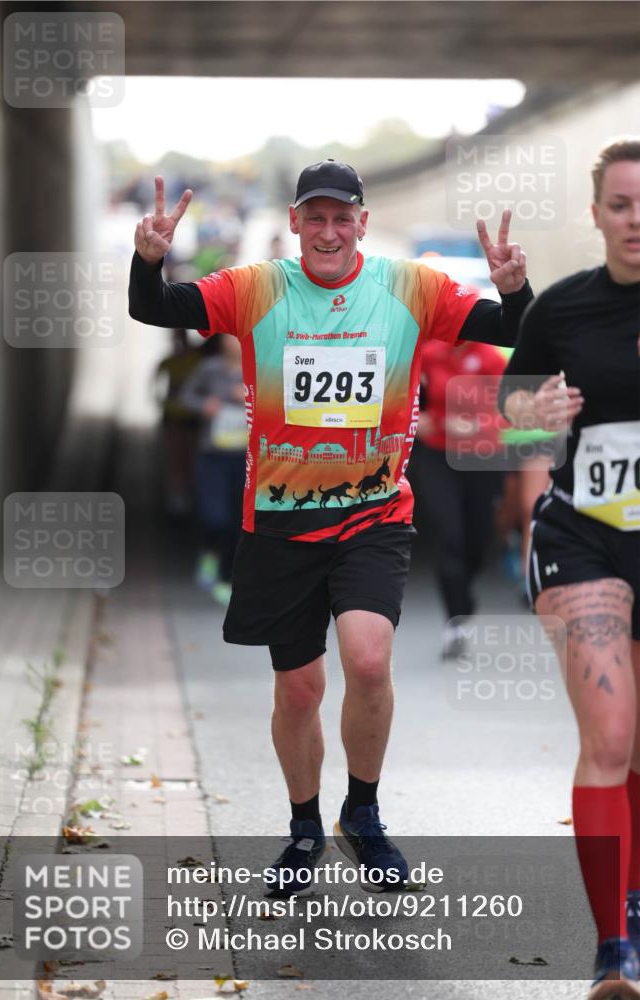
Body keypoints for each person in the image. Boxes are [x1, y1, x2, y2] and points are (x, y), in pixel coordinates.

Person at [129, 159, 531, 894]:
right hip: (281, 522)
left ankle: (364, 814)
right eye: (314, 217)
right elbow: (154, 310)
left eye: (341, 216)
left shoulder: (408, 287)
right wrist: (147, 259)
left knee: (369, 662)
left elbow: (511, 329)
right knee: (299, 691)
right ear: (293, 222)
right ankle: (305, 826)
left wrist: (514, 288)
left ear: (362, 224)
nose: (327, 230)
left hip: (373, 512)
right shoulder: (256, 288)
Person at [498, 138, 640, 998]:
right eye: (620, 205)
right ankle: (610, 947)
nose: (636, 221)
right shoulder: (560, 308)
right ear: (595, 215)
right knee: (611, 738)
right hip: (582, 533)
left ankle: (632, 899)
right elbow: (506, 415)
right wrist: (532, 408)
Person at [410, 337, 508, 658]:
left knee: (477, 539)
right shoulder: (428, 353)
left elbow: (512, 409)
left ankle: (463, 594)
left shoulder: (491, 359)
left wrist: (478, 425)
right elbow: (401, 392)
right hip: (439, 454)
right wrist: (418, 419)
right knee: (448, 534)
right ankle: (456, 620)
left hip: (482, 455)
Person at [180, 336, 248, 606]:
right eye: (230, 337)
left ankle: (225, 578)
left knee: (237, 521)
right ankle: (209, 550)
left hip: (245, 457)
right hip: (213, 454)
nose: (235, 343)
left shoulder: (259, 368)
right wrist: (205, 405)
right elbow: (186, 396)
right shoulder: (210, 368)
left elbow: (279, 400)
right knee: (214, 516)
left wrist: (248, 397)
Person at [153, 328, 203, 515]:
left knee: (190, 456)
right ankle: (178, 497)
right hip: (173, 417)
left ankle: (187, 495)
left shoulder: (195, 361)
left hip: (191, 417)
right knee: (176, 457)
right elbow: (156, 387)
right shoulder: (168, 363)